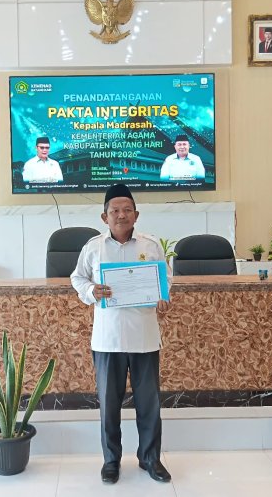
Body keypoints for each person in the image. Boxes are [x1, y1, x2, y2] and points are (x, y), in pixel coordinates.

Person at [70, 184, 172, 484]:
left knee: (149, 404)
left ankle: (150, 458)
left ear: (136, 215)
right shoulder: (93, 247)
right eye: (115, 210)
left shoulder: (150, 246)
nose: (121, 215)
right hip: (108, 338)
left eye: (127, 210)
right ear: (105, 217)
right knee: (109, 405)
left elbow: (166, 278)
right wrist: (91, 290)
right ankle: (111, 461)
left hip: (144, 336)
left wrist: (163, 296)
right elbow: (77, 277)